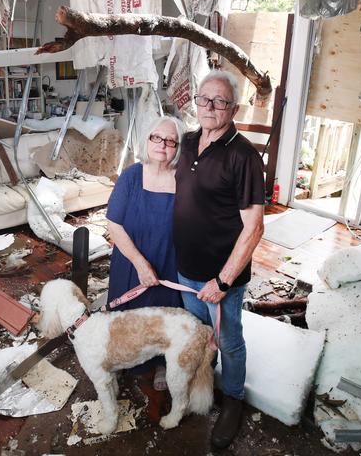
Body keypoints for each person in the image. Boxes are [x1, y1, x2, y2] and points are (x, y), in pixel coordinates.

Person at [173, 70, 265, 449]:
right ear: (196, 101)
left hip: (219, 279)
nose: (210, 107)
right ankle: (202, 386)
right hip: (185, 270)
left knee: (229, 342)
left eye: (220, 101)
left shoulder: (244, 156)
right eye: (204, 99)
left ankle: (233, 402)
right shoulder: (189, 141)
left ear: (234, 107)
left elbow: (255, 228)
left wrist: (224, 281)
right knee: (199, 337)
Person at [106, 115, 187, 416]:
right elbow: (114, 223)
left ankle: (162, 365)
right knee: (129, 317)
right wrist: (140, 263)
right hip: (131, 261)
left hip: (168, 260)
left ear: (177, 146)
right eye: (156, 137)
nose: (162, 145)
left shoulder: (184, 179)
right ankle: (128, 360)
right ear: (147, 140)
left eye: (170, 140)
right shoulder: (131, 175)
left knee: (164, 317)